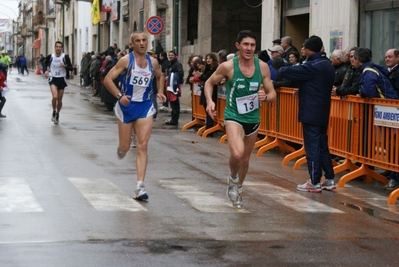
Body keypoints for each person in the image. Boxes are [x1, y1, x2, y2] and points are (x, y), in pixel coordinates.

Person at [204, 30, 276, 208]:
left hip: (253, 117)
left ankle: (239, 187)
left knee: (244, 159)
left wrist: (265, 97)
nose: (249, 48)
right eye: (246, 44)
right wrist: (209, 102)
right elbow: (209, 83)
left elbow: (273, 93)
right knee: (236, 153)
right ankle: (233, 178)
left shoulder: (263, 67)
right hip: (233, 115)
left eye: (252, 45)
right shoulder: (228, 67)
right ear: (238, 46)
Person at [103, 30, 166, 201]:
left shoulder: (152, 62)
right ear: (132, 44)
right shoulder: (126, 60)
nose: (141, 43)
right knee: (125, 148)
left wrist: (160, 91)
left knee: (143, 145)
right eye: (137, 41)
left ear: (148, 42)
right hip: (126, 107)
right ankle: (122, 148)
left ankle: (140, 187)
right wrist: (119, 96)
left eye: (144, 40)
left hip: (145, 106)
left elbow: (160, 76)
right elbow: (108, 79)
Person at [279, 35, 336, 193]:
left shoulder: (313, 65)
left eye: (304, 46)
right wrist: (303, 89)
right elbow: (316, 84)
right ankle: (329, 179)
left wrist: (281, 67)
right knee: (322, 145)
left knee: (312, 147)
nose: (302, 49)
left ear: (311, 48)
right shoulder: (327, 64)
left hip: (311, 111)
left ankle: (315, 181)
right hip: (322, 110)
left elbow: (288, 72)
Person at [44, 41, 73, 124]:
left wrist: (65, 66)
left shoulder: (65, 57)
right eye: (57, 46)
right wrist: (45, 71)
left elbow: (71, 68)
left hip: (62, 79)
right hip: (53, 78)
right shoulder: (50, 56)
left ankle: (57, 113)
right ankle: (53, 111)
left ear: (62, 48)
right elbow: (45, 64)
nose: (58, 48)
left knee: (59, 100)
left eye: (60, 47)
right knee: (55, 97)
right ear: (55, 47)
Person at [165, 50, 184, 125]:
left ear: (175, 56)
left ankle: (175, 119)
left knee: (175, 103)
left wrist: (170, 77)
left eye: (172, 55)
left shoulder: (177, 64)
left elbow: (180, 74)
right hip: (170, 86)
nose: (170, 56)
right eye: (169, 55)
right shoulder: (170, 64)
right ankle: (173, 118)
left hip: (174, 86)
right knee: (172, 103)